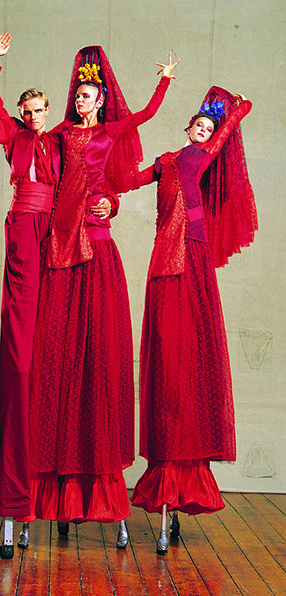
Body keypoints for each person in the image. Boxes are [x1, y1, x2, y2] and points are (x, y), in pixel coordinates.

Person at [26, 46, 179, 542]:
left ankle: (100, 493)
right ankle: (55, 493)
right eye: (79, 93)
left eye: (90, 93)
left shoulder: (110, 131)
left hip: (97, 244)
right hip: (59, 245)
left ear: (100, 98)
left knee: (100, 356)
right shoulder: (57, 135)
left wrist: (165, 81)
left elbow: (147, 116)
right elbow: (23, 143)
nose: (83, 98)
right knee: (57, 357)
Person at [129, 88, 257, 555]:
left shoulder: (203, 155)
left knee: (190, 355)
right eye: (198, 127)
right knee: (167, 356)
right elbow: (131, 179)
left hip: (193, 256)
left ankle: (186, 477)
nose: (203, 134)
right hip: (166, 258)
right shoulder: (166, 161)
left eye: (207, 130)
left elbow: (222, 138)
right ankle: (166, 474)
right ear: (186, 128)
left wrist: (235, 113)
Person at [0, 34, 61, 525]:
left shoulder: (59, 137)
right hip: (24, 226)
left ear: (48, 110)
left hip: (57, 226)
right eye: (26, 111)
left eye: (37, 110)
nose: (32, 117)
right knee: (23, 321)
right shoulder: (13, 135)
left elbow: (94, 165)